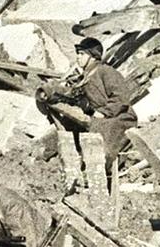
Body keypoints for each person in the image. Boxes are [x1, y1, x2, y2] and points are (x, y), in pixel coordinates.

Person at [39, 37, 137, 169]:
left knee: (101, 139)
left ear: (93, 56)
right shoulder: (84, 77)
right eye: (77, 54)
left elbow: (121, 96)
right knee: (69, 127)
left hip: (119, 117)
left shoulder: (105, 71)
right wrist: (50, 91)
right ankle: (43, 157)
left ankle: (98, 168)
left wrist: (104, 112)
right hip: (99, 117)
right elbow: (70, 93)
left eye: (82, 54)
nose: (78, 57)